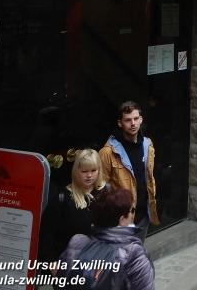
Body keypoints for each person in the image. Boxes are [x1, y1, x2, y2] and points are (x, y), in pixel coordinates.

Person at [59, 187, 154, 290]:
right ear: (122, 219)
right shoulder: (133, 254)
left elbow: (61, 282)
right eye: (132, 210)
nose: (133, 214)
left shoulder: (77, 242)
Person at [98, 101, 158, 237]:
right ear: (120, 123)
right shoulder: (108, 152)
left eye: (136, 119)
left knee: (137, 253)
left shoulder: (147, 144)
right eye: (128, 120)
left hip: (143, 215)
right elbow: (100, 188)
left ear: (141, 120)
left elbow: (149, 177)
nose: (133, 123)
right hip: (120, 220)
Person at [39, 149, 108, 262]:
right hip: (68, 265)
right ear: (76, 171)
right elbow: (46, 234)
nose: (89, 175)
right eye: (84, 171)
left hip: (99, 264)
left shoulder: (106, 193)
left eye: (93, 170)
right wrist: (51, 262)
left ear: (99, 170)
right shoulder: (62, 198)